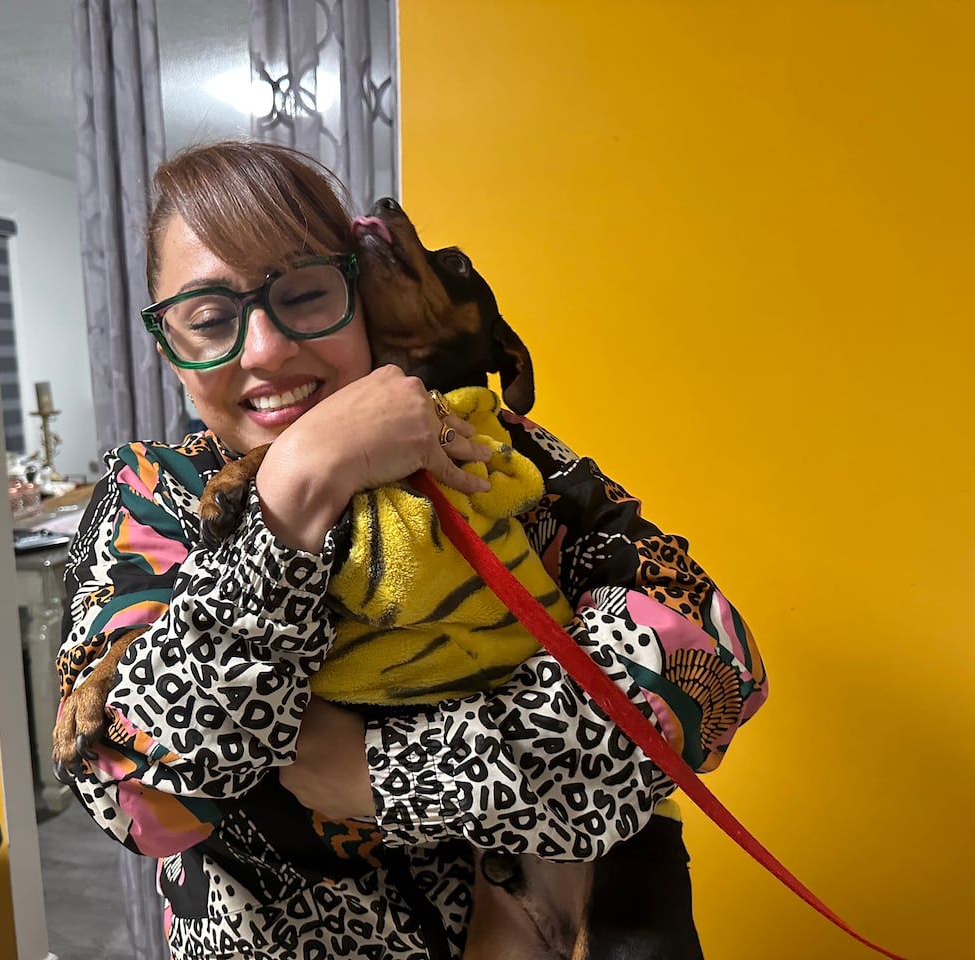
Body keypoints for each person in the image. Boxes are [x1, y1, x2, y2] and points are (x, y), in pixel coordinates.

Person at [56, 140, 768, 959]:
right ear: (169, 350)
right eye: (211, 319)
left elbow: (711, 671)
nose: (264, 350)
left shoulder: (490, 452)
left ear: (359, 295)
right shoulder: (156, 496)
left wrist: (376, 773)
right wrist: (295, 492)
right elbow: (139, 799)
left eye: (305, 292)